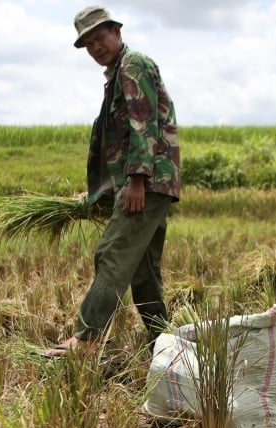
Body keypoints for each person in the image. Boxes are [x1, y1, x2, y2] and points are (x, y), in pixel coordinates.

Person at [43, 5, 180, 358]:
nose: (95, 46)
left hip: (147, 183)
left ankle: (87, 340)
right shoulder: (118, 74)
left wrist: (137, 179)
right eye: (88, 43)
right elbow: (117, 142)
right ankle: (164, 344)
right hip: (147, 182)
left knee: (112, 253)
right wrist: (106, 191)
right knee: (143, 271)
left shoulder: (133, 66)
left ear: (117, 31)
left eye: (99, 37)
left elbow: (143, 124)